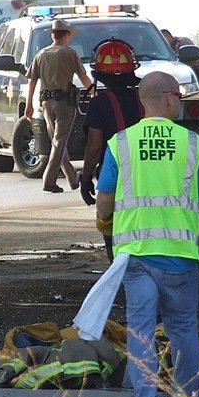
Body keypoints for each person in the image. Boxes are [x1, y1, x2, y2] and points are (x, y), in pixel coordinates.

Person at [94, 71, 199, 397]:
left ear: (143, 100)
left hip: (136, 255)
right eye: (180, 98)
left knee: (140, 330)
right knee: (183, 331)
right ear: (170, 98)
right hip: (179, 257)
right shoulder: (191, 144)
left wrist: (104, 222)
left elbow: (105, 195)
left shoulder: (120, 143)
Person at [80, 39, 145, 259]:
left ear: (98, 73)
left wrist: (86, 177)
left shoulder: (100, 104)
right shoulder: (145, 98)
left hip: (115, 179)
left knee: (116, 237)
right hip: (147, 176)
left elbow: (95, 146)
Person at [25, 18, 94, 193]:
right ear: (66, 35)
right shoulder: (69, 53)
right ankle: (48, 180)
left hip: (46, 103)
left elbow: (32, 81)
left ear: (53, 35)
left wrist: (28, 104)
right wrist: (94, 93)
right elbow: (83, 77)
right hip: (65, 103)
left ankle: (72, 179)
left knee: (57, 141)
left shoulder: (41, 54)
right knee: (59, 142)